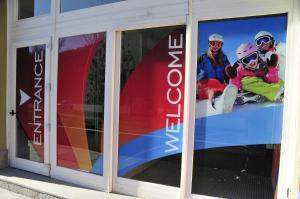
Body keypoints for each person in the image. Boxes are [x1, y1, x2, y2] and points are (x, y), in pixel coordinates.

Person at [197, 33, 237, 113]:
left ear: (221, 45)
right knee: (213, 86)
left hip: (219, 84)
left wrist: (231, 71)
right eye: (213, 43)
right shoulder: (203, 58)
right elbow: (196, 71)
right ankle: (217, 102)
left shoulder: (223, 58)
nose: (215, 46)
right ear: (209, 44)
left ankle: (234, 98)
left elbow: (227, 69)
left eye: (218, 44)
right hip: (204, 84)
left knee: (226, 88)